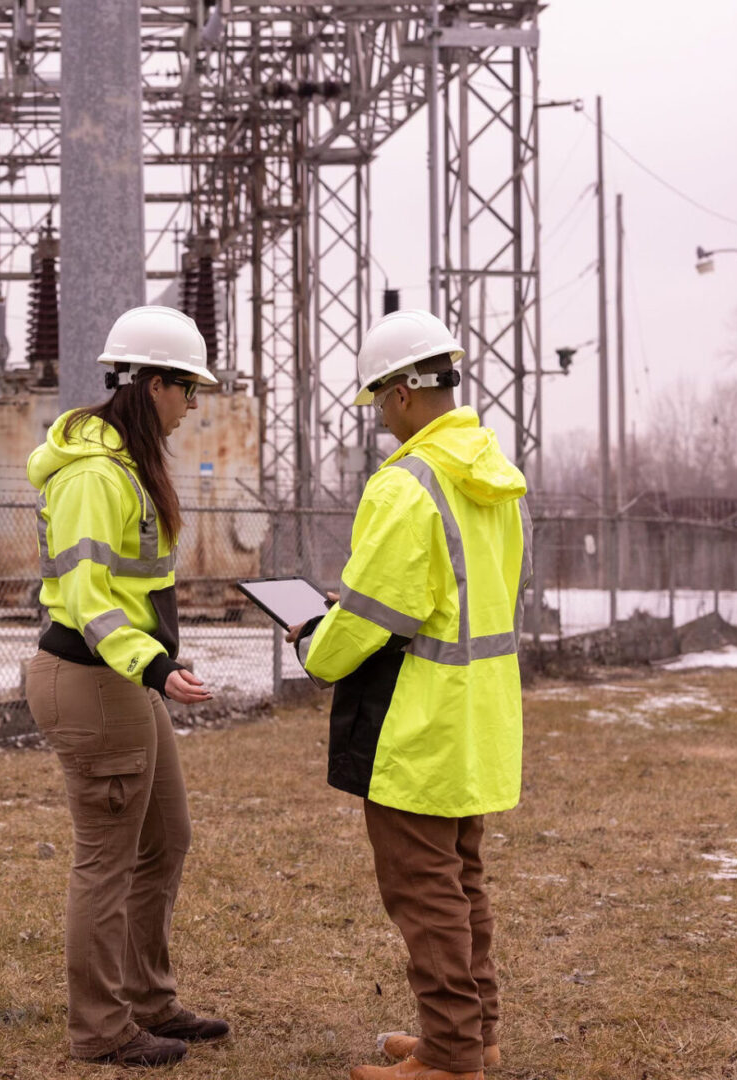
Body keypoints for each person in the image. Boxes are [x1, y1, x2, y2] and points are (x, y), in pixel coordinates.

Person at [287, 310, 531, 1080]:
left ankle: (452, 1059)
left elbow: (369, 614)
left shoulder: (410, 483)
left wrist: (311, 644)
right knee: (461, 885)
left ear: (398, 395)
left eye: (379, 404)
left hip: (416, 727)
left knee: (425, 895)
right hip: (476, 720)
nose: (382, 424)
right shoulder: (490, 475)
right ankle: (472, 1036)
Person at [23, 305, 229, 1068]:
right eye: (187, 388)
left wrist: (152, 666)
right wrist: (153, 665)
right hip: (93, 677)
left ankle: (150, 1000)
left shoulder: (131, 470)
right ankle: (100, 1028)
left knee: (165, 839)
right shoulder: (92, 476)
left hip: (127, 679)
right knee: (105, 859)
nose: (193, 404)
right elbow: (87, 596)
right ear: (149, 385)